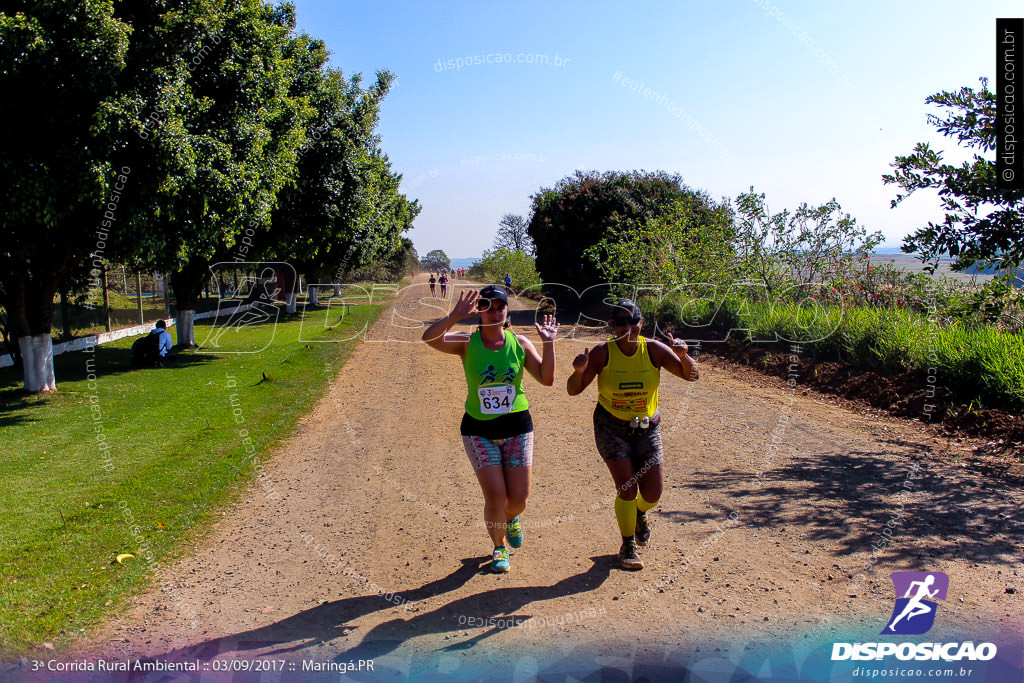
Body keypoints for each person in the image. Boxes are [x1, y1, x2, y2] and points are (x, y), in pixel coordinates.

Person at [421, 285, 557, 573]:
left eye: (500, 306)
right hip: (478, 431)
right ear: (479, 311)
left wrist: (549, 343)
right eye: (488, 306)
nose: (494, 311)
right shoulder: (466, 343)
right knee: (495, 496)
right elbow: (429, 338)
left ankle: (511, 519)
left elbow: (547, 379)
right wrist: (456, 315)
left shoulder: (519, 343)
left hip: (518, 427)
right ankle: (499, 547)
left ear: (507, 310)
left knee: (517, 501)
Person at [565, 299, 698, 570]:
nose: (629, 326)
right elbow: (573, 390)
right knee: (627, 487)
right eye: (622, 321)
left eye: (634, 320)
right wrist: (578, 372)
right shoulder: (603, 353)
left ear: (642, 322)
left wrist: (684, 356)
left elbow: (692, 376)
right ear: (612, 326)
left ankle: (638, 513)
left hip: (647, 427)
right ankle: (628, 545)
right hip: (610, 427)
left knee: (653, 493)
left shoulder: (654, 350)